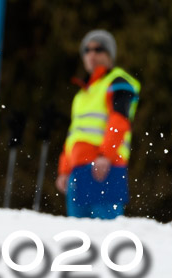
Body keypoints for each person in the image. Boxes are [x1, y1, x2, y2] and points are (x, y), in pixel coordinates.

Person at [55, 29, 141, 219]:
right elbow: (75, 135)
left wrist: (105, 156)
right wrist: (64, 169)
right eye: (87, 50)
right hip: (78, 172)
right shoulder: (82, 94)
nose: (91, 54)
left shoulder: (119, 82)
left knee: (105, 237)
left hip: (105, 168)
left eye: (98, 49)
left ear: (109, 54)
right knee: (78, 239)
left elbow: (119, 120)